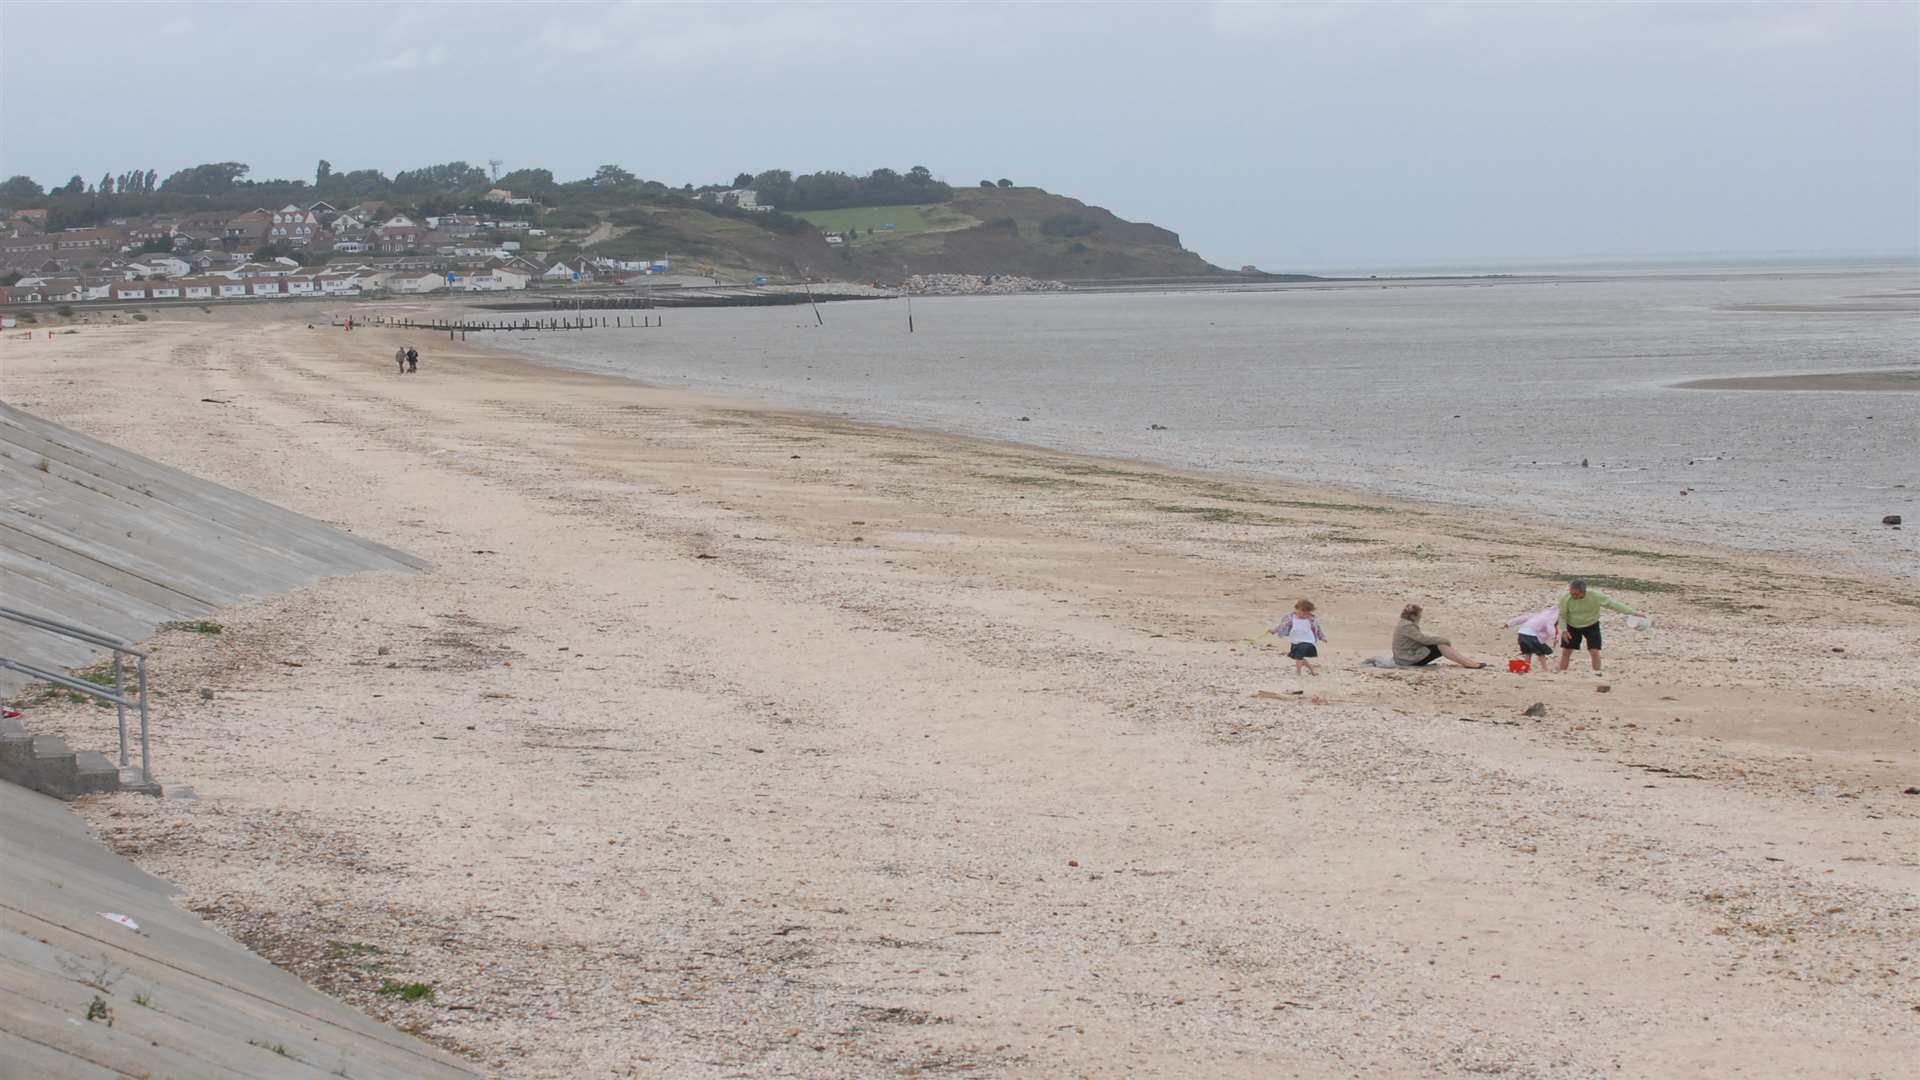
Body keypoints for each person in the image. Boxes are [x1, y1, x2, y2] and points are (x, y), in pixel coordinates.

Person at [1556, 579, 1638, 675]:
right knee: (1566, 652)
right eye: (1571, 593)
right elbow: (1562, 615)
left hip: (1591, 625)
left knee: (1594, 651)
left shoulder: (1595, 596)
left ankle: (1597, 673)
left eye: (1575, 594)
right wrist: (1564, 630)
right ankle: (1562, 674)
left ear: (1583, 592)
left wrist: (1633, 612)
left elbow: (1612, 604)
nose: (1573, 596)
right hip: (1572, 626)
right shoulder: (1565, 598)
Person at [1393, 604, 1486, 668]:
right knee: (1442, 646)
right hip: (1406, 659)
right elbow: (1423, 639)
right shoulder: (1407, 626)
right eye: (1419, 614)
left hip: (1406, 656)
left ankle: (1469, 663)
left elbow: (1421, 638)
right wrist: (1444, 640)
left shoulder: (1404, 623)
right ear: (1413, 616)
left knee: (1440, 645)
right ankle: (1469, 664)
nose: (1420, 616)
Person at [1271, 599, 1327, 677]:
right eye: (1302, 611)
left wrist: (1322, 637)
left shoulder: (1311, 619)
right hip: (1295, 641)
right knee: (1298, 657)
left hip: (1307, 641)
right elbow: (1282, 625)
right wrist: (1274, 630)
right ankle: (1312, 670)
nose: (1304, 613)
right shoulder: (1290, 618)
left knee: (1299, 655)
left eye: (1307, 612)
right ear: (1297, 609)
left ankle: (1298, 673)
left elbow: (1318, 629)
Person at [1505, 607, 1558, 673]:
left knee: (1527, 652)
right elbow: (1551, 630)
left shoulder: (1536, 616)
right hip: (1531, 635)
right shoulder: (1549, 620)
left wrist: (1509, 623)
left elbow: (1522, 618)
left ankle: (1526, 667)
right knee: (1541, 653)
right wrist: (1554, 637)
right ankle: (1544, 668)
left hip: (1522, 633)